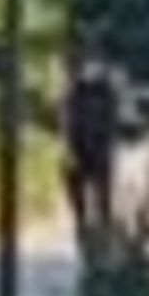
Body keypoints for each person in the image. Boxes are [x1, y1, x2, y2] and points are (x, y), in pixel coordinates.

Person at [59, 55, 126, 260]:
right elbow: (67, 124)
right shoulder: (79, 94)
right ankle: (88, 232)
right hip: (87, 149)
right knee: (91, 197)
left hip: (95, 149)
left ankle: (96, 235)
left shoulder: (96, 93)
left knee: (99, 198)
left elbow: (112, 124)